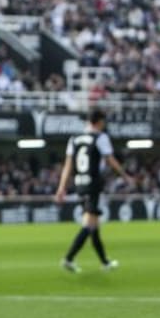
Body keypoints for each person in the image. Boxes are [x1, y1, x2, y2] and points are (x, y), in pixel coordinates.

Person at [54, 110, 134, 273]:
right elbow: (110, 159)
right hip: (93, 184)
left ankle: (105, 262)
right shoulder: (100, 138)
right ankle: (69, 258)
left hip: (79, 184)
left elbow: (68, 165)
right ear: (99, 121)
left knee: (94, 225)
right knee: (89, 225)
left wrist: (61, 187)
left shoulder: (74, 139)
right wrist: (125, 176)